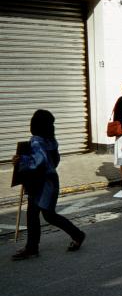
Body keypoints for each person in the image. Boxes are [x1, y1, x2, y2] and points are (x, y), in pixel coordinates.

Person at [12, 110, 86, 260]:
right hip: (50, 181)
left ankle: (34, 247)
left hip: (40, 183)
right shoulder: (51, 141)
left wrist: (21, 161)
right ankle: (33, 246)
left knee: (45, 215)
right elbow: (55, 161)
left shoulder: (36, 141)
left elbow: (39, 162)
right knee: (40, 214)